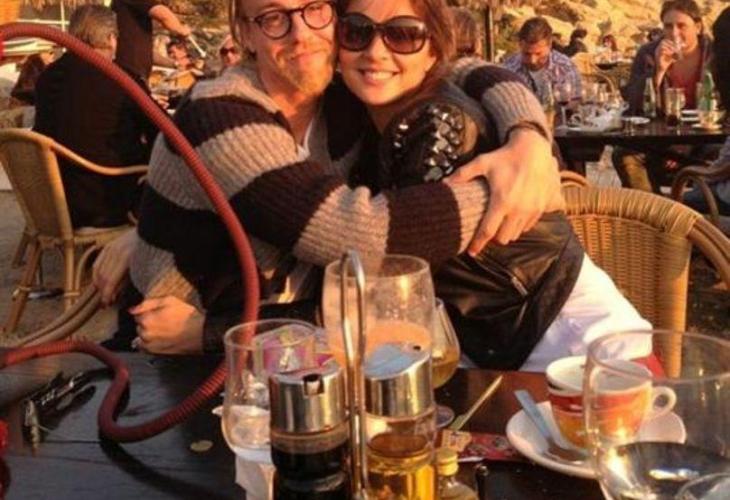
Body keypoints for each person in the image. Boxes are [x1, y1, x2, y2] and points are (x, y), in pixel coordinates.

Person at [95, 0, 564, 356]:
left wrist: (528, 137)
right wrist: (510, 190)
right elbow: (361, 236)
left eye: (314, 10)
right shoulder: (221, 111)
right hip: (179, 354)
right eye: (274, 18)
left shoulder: (342, 96)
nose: (301, 35)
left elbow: (459, 68)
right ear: (245, 34)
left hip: (298, 343)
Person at [336, 0, 648, 370]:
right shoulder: (372, 113)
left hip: (564, 330)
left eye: (403, 35)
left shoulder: (440, 121)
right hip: (490, 342)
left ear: (434, 50)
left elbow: (395, 256)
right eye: (356, 31)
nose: (375, 51)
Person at [34, 5, 157, 228]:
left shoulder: (47, 77)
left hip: (52, 201)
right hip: (107, 202)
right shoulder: (122, 80)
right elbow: (162, 131)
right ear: (111, 39)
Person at [614, 0, 712, 192]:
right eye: (668, 26)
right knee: (624, 155)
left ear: (698, 27)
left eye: (681, 26)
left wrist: (687, 142)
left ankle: (700, 207)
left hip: (705, 137)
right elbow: (634, 105)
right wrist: (658, 71)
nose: (674, 33)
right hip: (661, 137)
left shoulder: (715, 53)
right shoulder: (648, 53)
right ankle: (652, 208)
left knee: (719, 155)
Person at [683, 6, 730, 216]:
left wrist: (701, 176)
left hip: (726, 198)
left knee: (669, 207)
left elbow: (722, 166)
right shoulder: (651, 53)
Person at [503, 17, 582, 104]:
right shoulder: (508, 69)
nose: (533, 60)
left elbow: (575, 104)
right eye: (527, 54)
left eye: (538, 54)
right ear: (520, 45)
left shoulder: (566, 68)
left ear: (549, 45)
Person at [112, 0, 192, 81]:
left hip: (134, 71)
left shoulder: (134, 16)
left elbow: (148, 53)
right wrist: (181, 29)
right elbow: (163, 14)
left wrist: (175, 64)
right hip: (130, 72)